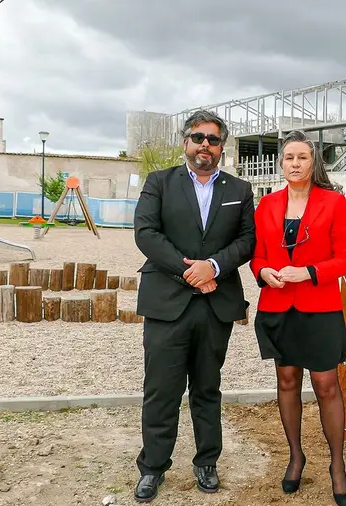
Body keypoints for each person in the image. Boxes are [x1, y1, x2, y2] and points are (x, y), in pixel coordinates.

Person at [132, 110, 256, 502]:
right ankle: (153, 466)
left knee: (207, 387)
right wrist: (190, 271)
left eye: (214, 139)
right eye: (198, 137)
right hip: (167, 301)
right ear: (185, 142)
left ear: (222, 147)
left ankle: (206, 461)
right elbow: (146, 232)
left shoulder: (240, 189)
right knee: (161, 390)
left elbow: (247, 240)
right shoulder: (159, 182)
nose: (206, 145)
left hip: (214, 303)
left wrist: (213, 266)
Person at [249, 130, 346, 506]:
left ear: (314, 163)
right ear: (281, 163)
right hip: (278, 307)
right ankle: (296, 457)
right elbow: (257, 256)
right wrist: (263, 273)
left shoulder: (333, 202)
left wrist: (308, 272)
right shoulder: (266, 206)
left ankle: (337, 467)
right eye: (289, 157)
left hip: (320, 308)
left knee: (327, 385)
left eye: (302, 158)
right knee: (287, 380)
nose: (295, 164)